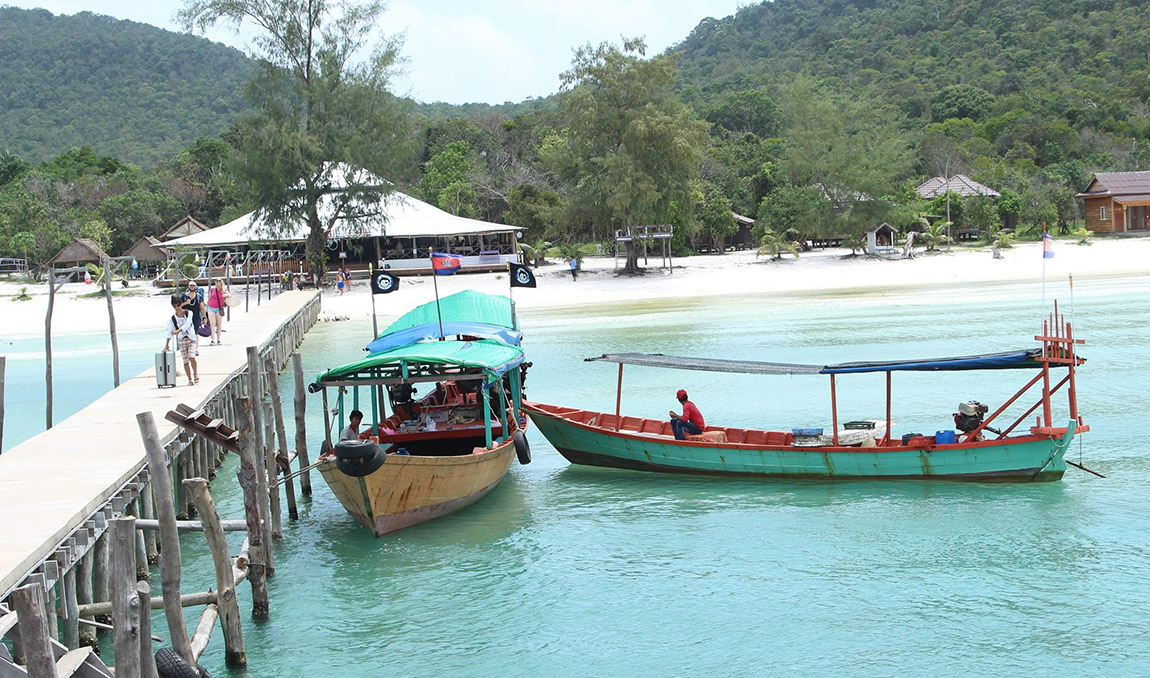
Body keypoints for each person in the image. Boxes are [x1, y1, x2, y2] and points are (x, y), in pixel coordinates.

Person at [165, 294, 199, 386]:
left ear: (181, 304)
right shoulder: (173, 318)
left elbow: (188, 324)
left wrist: (178, 330)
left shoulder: (189, 313)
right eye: (174, 306)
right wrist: (167, 344)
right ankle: (190, 379)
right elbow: (170, 331)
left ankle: (195, 373)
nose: (177, 308)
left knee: (192, 357)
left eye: (178, 305)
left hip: (191, 338)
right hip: (181, 340)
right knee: (185, 361)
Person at [181, 281, 207, 347]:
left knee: (195, 332)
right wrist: (186, 303)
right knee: (187, 332)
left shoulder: (198, 296)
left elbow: (202, 307)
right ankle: (190, 346)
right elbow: (179, 306)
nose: (192, 287)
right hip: (186, 317)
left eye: (193, 286)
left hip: (196, 316)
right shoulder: (184, 296)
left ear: (195, 287)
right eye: (191, 285)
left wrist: (204, 317)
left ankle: (196, 348)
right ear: (188, 286)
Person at [206, 279, 226, 346]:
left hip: (219, 308)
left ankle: (218, 340)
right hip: (211, 307)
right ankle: (213, 340)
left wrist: (225, 296)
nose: (218, 285)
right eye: (217, 284)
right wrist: (206, 308)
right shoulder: (212, 290)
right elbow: (209, 298)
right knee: (212, 323)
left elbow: (230, 297)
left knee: (219, 324)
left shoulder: (224, 291)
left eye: (219, 284)